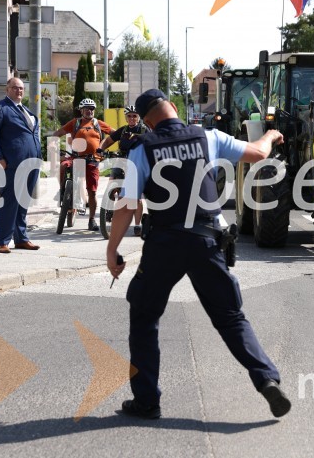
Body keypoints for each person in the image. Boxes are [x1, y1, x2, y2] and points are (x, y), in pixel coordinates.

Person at [106, 89, 291, 420]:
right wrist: (271, 135)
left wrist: (112, 250)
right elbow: (258, 154)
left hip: (164, 244)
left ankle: (147, 401)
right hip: (207, 241)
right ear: (174, 108)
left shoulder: (143, 149)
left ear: (146, 120)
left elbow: (128, 205)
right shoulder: (209, 136)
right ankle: (266, 379)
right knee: (231, 317)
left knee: (145, 317)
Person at [0, 77, 43, 254]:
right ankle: (3, 241)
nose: (19, 91)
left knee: (23, 201)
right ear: (7, 89)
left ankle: (21, 239)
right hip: (11, 163)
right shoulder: (0, 108)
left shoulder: (28, 112)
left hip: (32, 162)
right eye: (15, 88)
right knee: (9, 201)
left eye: (21, 88)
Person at [53, 98, 112, 231]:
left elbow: (114, 134)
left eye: (92, 109)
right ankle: (63, 193)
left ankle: (91, 220)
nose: (89, 111)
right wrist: (56, 151)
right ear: (81, 110)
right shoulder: (75, 123)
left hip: (92, 160)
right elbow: (57, 134)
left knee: (92, 192)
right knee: (63, 166)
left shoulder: (98, 123)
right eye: (86, 108)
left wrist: (104, 147)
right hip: (76, 157)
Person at [99, 106, 149, 234]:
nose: (132, 118)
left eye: (134, 116)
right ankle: (109, 209)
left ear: (138, 117)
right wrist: (101, 149)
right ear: (126, 118)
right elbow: (109, 140)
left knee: (135, 198)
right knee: (112, 183)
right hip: (121, 160)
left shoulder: (145, 131)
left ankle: (137, 225)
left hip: (137, 163)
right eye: (129, 116)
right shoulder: (123, 131)